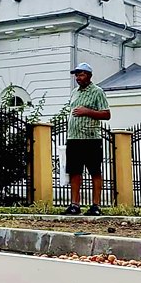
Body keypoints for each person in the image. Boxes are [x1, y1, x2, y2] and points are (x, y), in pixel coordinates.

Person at [63, 62, 111, 216]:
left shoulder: (98, 92)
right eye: (76, 75)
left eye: (81, 74)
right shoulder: (74, 92)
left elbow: (106, 114)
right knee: (75, 172)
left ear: (89, 76)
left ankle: (95, 205)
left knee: (95, 171)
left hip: (91, 139)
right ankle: (74, 205)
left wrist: (87, 111)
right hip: (73, 138)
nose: (78, 77)